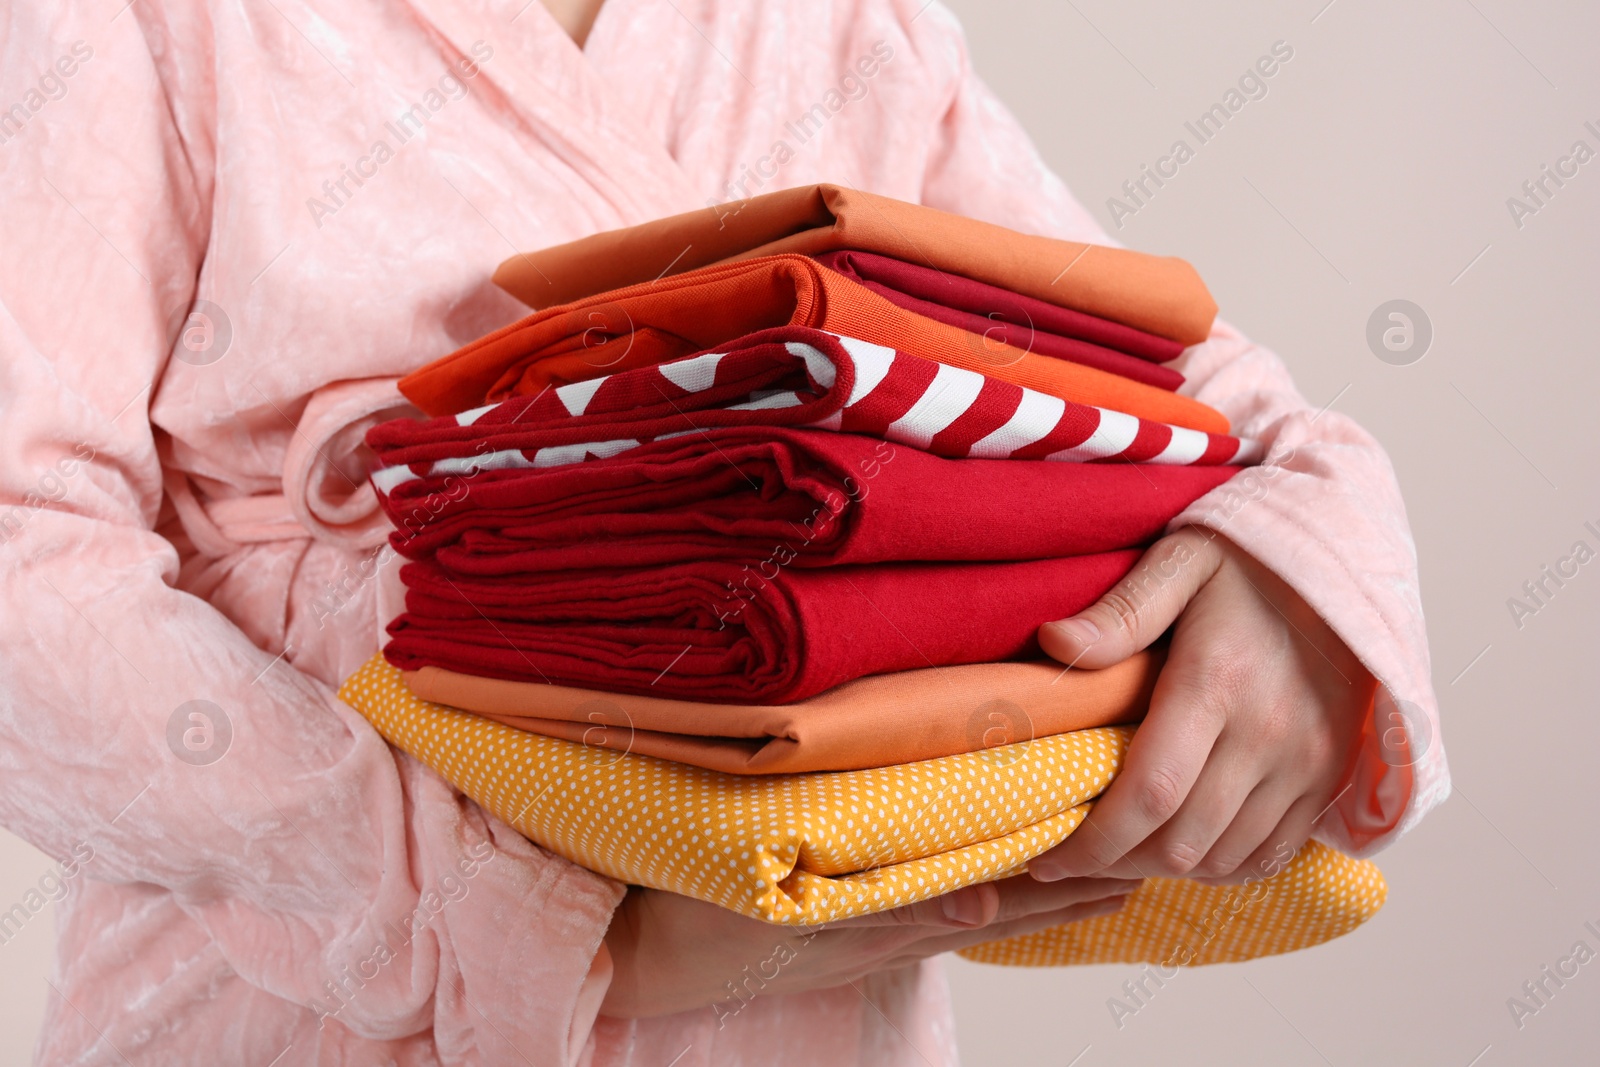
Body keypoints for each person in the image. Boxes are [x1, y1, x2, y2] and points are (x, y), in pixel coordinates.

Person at [0, 0, 1445, 1062]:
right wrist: (510, 918)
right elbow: (22, 558)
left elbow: (1145, 375)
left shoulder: (840, 25)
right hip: (278, 1018)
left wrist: (1294, 567)